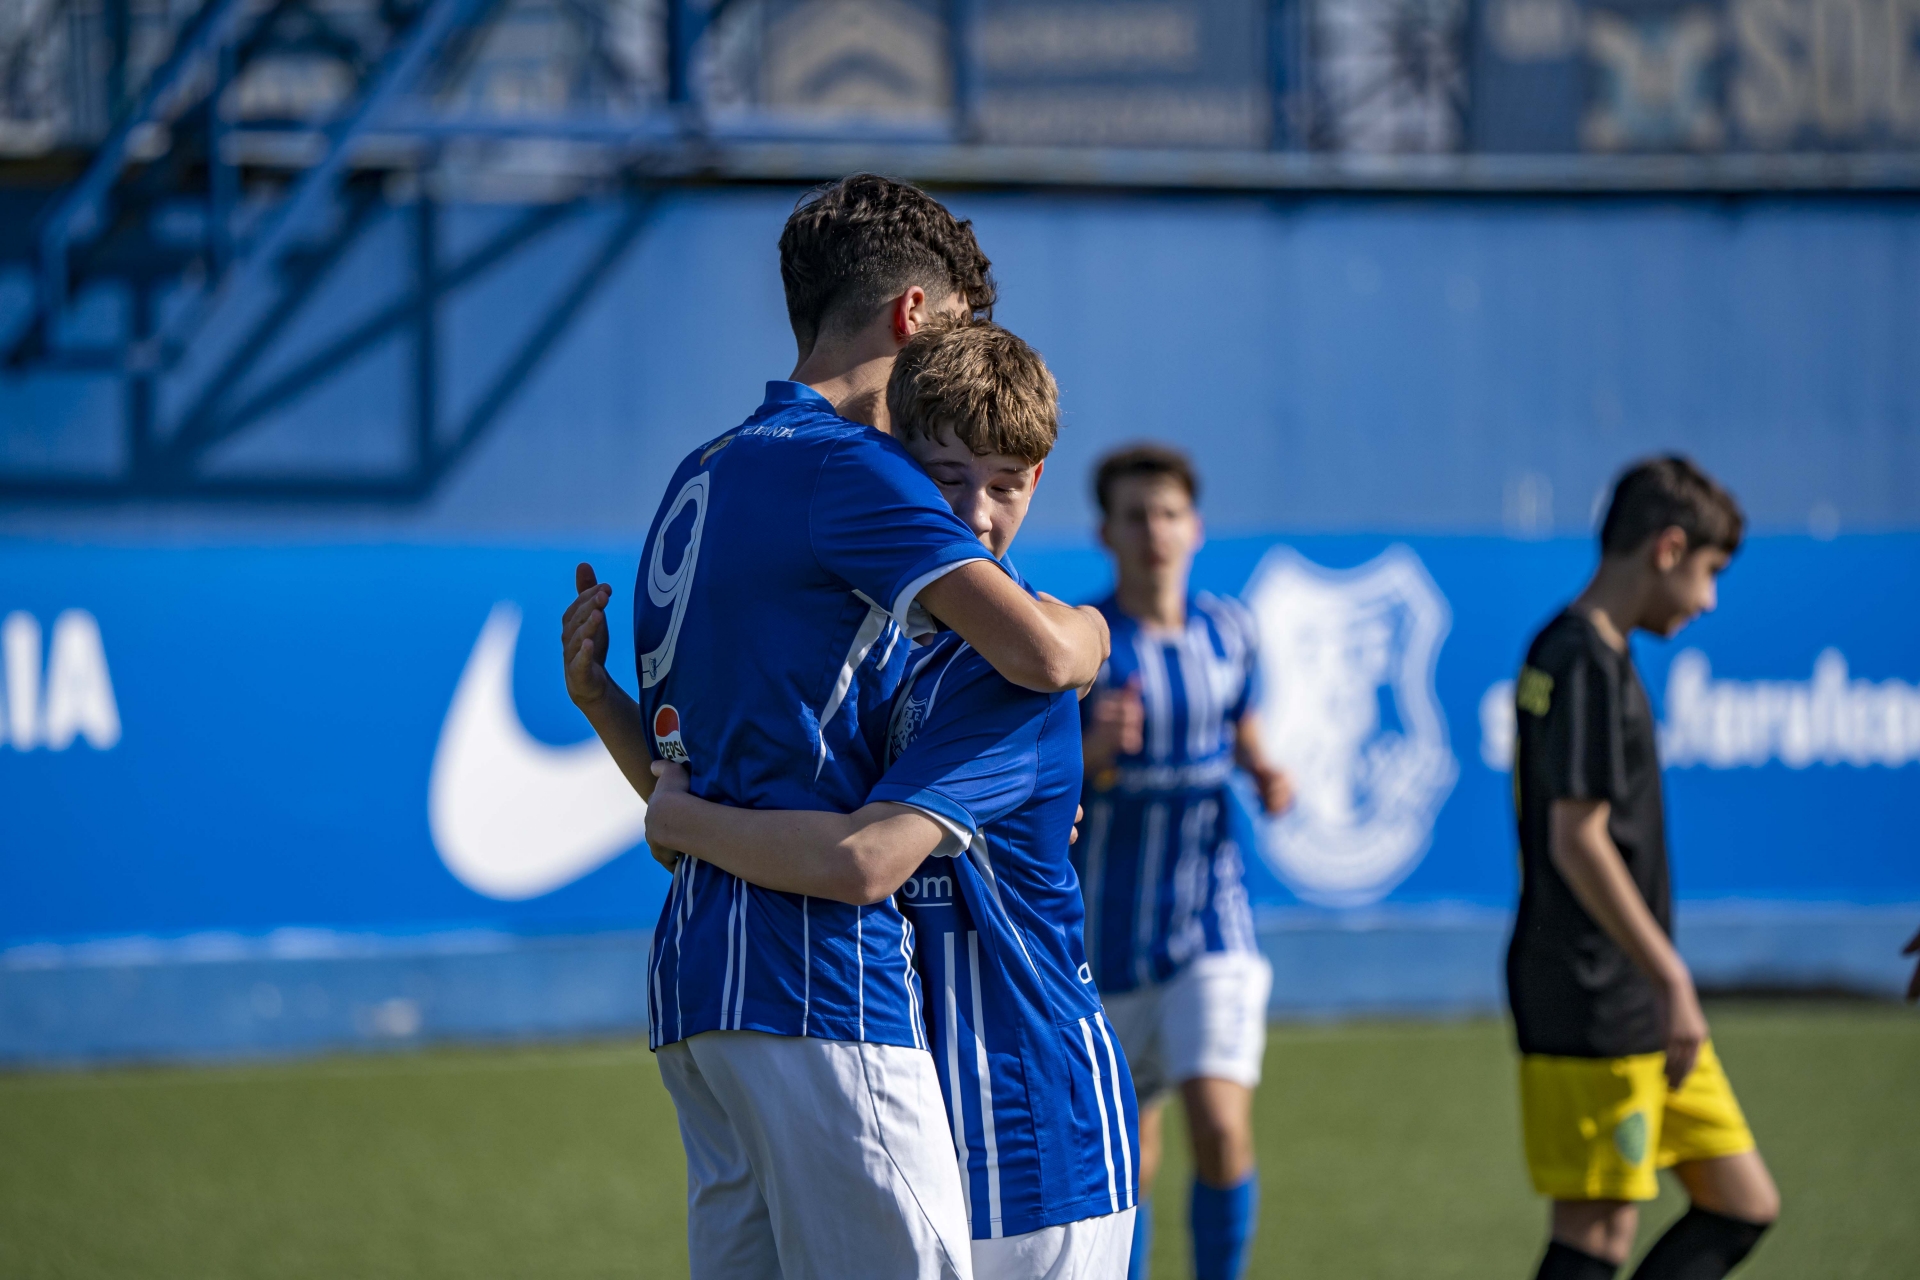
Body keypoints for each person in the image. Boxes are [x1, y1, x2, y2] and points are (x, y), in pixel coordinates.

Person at [559, 175, 1110, 1280]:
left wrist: (606, 710)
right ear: (914, 314)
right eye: (957, 329)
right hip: (818, 977)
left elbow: (687, 800)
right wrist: (1093, 628)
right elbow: (1041, 658)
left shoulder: (702, 473)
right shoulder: (850, 467)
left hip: (697, 984)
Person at [1508, 456, 1780, 1280]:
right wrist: (1671, 977)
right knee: (1595, 1235)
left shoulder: (1578, 649)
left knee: (1742, 1202)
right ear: (1667, 549)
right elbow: (1576, 839)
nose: (1710, 600)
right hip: (1597, 991)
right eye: (1710, 573)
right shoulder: (1582, 660)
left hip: (1628, 995)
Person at [1072, 444, 1293, 1280]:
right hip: (1105, 939)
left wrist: (1264, 770)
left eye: (1167, 514)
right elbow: (1036, 785)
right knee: (1128, 1161)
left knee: (1222, 1125)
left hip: (1210, 922)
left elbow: (1242, 725)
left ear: (1195, 527)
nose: (1153, 532)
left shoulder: (1230, 631)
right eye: (1135, 516)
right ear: (1106, 533)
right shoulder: (1084, 645)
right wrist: (1089, 754)